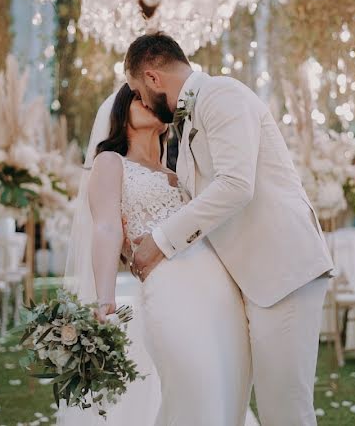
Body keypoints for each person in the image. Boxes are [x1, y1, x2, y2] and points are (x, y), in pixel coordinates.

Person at [127, 32, 334, 426]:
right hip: (253, 278)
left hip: (283, 270)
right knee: (268, 407)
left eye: (137, 91)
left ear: (153, 78)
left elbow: (236, 185)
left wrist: (161, 241)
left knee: (285, 411)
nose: (140, 101)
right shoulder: (187, 123)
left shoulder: (222, 94)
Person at [66, 84, 253, 426]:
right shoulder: (110, 162)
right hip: (168, 290)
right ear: (121, 112)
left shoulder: (178, 176)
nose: (150, 101)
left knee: (226, 387)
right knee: (193, 388)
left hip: (220, 293)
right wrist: (104, 299)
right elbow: (106, 228)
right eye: (138, 97)